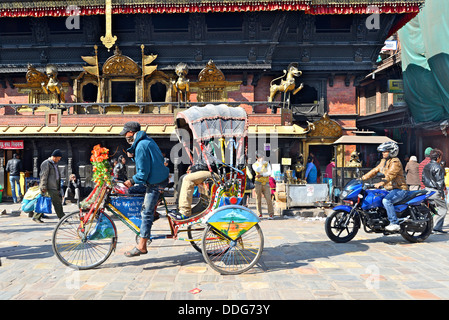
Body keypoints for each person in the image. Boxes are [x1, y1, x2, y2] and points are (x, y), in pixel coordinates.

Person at [120, 121, 169, 257]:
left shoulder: (141, 146)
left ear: (132, 133)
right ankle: (153, 215)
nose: (125, 136)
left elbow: (142, 174)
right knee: (134, 192)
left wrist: (131, 181)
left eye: (126, 133)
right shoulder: (146, 140)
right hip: (159, 177)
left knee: (145, 212)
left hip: (155, 182)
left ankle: (142, 246)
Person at [361, 141, 408, 232]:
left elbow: (390, 175)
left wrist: (381, 183)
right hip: (388, 188)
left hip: (399, 189)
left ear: (392, 151)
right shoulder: (384, 161)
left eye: (385, 151)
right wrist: (362, 178)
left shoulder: (395, 162)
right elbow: (375, 170)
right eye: (383, 151)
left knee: (386, 201)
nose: (383, 153)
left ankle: (394, 223)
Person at [422, 148, 447, 234]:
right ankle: (437, 228)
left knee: (429, 209)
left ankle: (429, 226)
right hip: (435, 191)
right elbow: (439, 182)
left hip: (426, 190)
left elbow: (423, 179)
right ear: (438, 157)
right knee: (443, 209)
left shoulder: (426, 166)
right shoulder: (438, 167)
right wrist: (442, 194)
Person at [38, 149, 65, 220]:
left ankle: (36, 216)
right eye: (59, 158)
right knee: (56, 203)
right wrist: (43, 186)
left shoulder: (55, 164)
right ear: (54, 157)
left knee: (46, 202)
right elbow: (44, 175)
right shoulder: (46, 163)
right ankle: (62, 217)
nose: (59, 160)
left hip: (54, 186)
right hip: (49, 187)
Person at [252, 152, 274, 219]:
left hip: (266, 183)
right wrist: (261, 164)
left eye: (262, 157)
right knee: (258, 199)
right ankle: (259, 214)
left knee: (268, 199)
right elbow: (257, 169)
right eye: (259, 157)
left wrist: (261, 175)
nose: (261, 158)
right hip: (258, 183)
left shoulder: (267, 164)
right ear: (257, 158)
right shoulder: (254, 164)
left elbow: (269, 172)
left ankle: (271, 214)